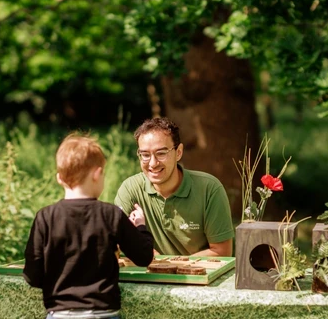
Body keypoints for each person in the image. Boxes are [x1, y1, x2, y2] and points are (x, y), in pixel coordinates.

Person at [23, 134, 154, 319]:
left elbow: (32, 275)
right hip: (104, 313)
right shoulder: (111, 215)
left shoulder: (45, 217)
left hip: (59, 314)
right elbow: (144, 257)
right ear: (97, 174)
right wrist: (141, 226)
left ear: (59, 178)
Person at [114, 117, 234, 256]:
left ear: (178, 152)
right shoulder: (130, 189)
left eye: (161, 153)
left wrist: (166, 265)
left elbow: (221, 252)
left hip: (201, 275)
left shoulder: (209, 188)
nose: (153, 163)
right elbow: (116, 243)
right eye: (145, 155)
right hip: (148, 276)